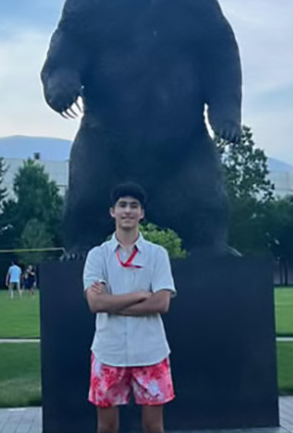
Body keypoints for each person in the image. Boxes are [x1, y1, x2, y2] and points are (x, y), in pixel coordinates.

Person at [83, 182, 176, 433]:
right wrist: (139, 295)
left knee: (153, 427)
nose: (127, 211)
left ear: (141, 213)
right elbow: (95, 303)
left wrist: (112, 303)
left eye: (134, 206)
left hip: (151, 351)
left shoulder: (157, 254)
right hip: (108, 352)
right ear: (112, 211)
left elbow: (161, 303)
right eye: (122, 205)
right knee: (106, 428)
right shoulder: (98, 256)